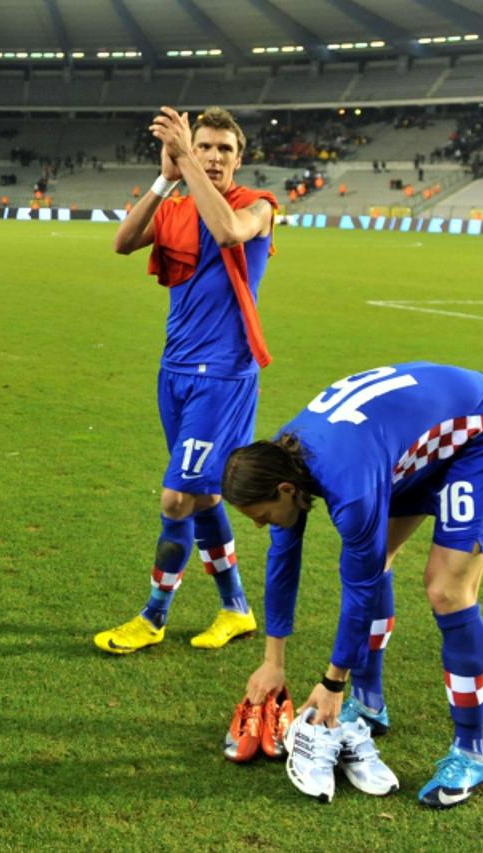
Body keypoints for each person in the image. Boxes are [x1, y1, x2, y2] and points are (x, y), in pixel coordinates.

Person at [223, 362, 483, 807]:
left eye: (261, 516)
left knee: (447, 590)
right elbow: (282, 563)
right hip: (405, 445)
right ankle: (368, 705)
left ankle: (470, 753)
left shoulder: (349, 486)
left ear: (287, 490)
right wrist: (274, 662)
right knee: (378, 555)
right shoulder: (281, 462)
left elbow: (360, 587)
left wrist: (331, 685)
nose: (259, 526)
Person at [96, 106, 277, 655]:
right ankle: (237, 609)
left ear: (239, 159)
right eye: (205, 147)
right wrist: (164, 176)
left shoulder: (258, 208)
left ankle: (153, 616)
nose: (216, 156)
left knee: (177, 498)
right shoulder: (175, 207)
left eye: (225, 149)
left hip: (223, 377)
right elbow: (123, 242)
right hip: (174, 372)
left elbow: (227, 231)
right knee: (201, 495)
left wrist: (188, 166)